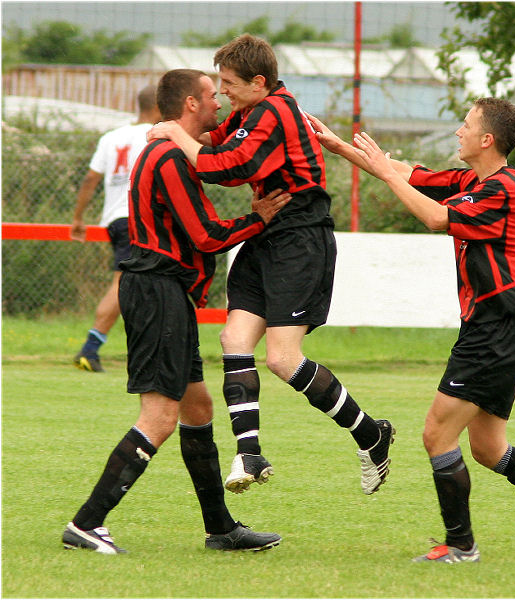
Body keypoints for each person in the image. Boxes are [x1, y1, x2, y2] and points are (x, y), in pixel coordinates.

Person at [306, 98, 515, 565]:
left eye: (465, 125)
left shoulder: (503, 189)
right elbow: (406, 172)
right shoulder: (475, 181)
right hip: (498, 328)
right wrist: (338, 147)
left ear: (486, 139)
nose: (458, 131)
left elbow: (434, 218)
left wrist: (387, 174)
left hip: (495, 330)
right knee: (489, 448)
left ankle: (461, 546)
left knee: (436, 434)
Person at [147, 34, 395, 496]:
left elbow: (226, 166)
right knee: (233, 338)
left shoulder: (276, 112)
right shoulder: (250, 110)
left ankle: (371, 435)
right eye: (216, 86)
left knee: (282, 358)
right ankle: (249, 453)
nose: (222, 94)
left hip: (301, 240)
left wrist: (175, 133)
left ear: (259, 82)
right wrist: (179, 129)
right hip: (267, 236)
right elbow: (211, 139)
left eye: (228, 84)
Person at [62, 68, 291, 554]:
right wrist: (259, 218)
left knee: (197, 407)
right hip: (157, 291)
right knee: (161, 416)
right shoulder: (168, 157)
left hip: (168, 292)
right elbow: (206, 235)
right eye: (212, 96)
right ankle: (86, 524)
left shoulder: (173, 153)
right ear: (190, 104)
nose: (219, 104)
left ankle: (222, 529)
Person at [71, 85, 161, 372]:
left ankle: (149, 350)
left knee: (142, 285)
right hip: (139, 218)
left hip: (114, 219)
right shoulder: (156, 135)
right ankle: (90, 349)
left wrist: (78, 218)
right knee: (123, 284)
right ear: (160, 106)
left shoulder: (111, 137)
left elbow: (90, 180)